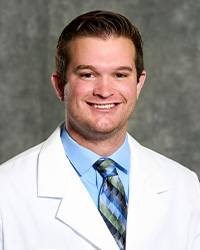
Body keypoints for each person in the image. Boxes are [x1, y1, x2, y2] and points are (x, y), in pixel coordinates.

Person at [0, 10, 199, 250]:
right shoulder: (7, 190)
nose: (104, 90)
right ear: (60, 86)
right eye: (88, 74)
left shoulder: (185, 187)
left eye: (119, 74)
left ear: (138, 84)